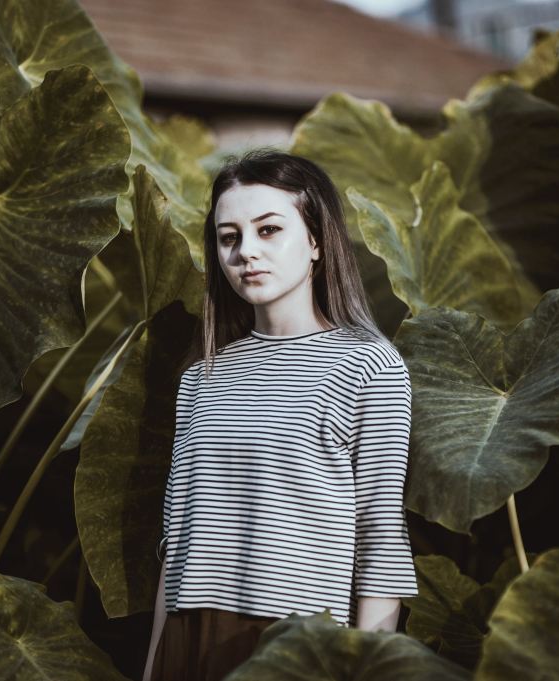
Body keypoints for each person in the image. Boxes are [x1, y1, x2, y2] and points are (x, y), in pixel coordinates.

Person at [142, 149, 419, 681]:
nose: (247, 252)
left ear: (316, 241)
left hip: (295, 646)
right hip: (187, 637)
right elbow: (176, 543)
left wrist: (361, 668)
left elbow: (379, 536)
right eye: (229, 237)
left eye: (269, 230)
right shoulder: (201, 377)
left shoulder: (367, 365)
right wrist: (154, 665)